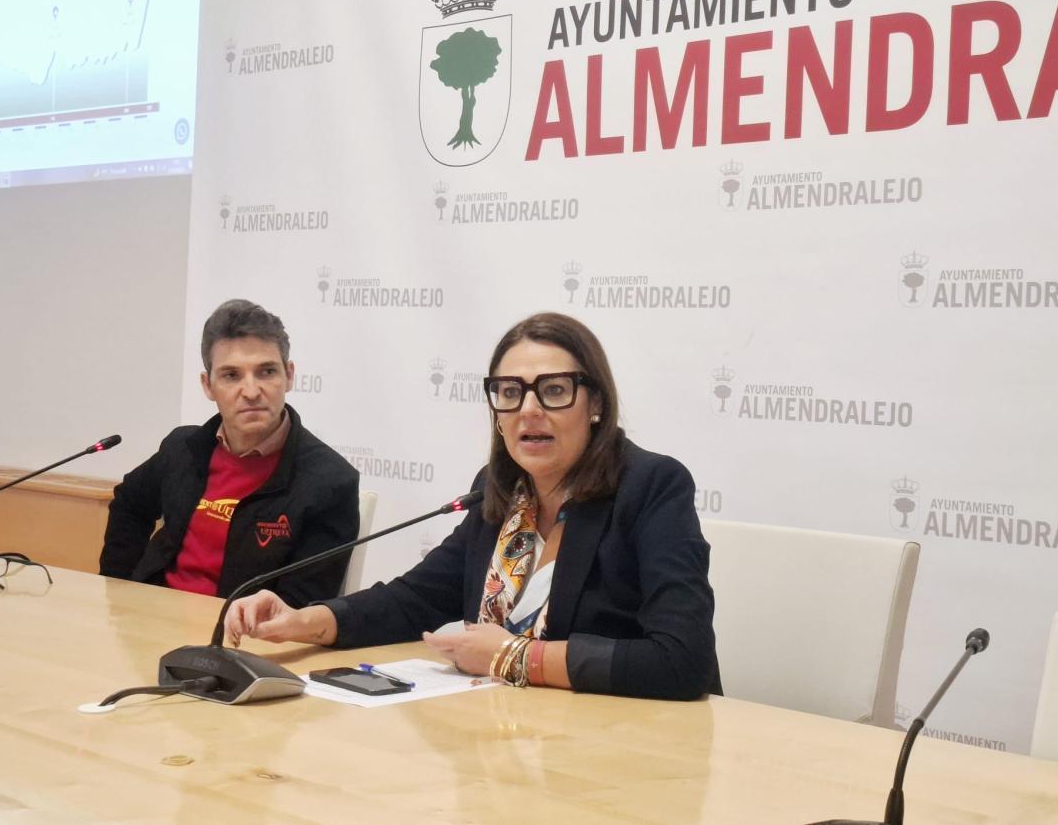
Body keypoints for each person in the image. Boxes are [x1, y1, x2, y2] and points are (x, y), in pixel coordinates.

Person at [225, 312, 721, 700]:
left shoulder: (651, 487)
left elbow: (682, 660)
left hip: (629, 750)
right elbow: (415, 599)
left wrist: (515, 657)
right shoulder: (502, 491)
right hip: (513, 737)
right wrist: (302, 620)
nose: (528, 410)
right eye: (509, 393)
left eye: (553, 390)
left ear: (595, 404)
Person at [99, 299, 359, 606]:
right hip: (151, 620)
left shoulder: (330, 481)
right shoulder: (183, 448)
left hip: (241, 640)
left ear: (289, 376)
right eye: (231, 375)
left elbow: (301, 607)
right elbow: (129, 504)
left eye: (266, 372)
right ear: (208, 385)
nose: (250, 391)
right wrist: (119, 592)